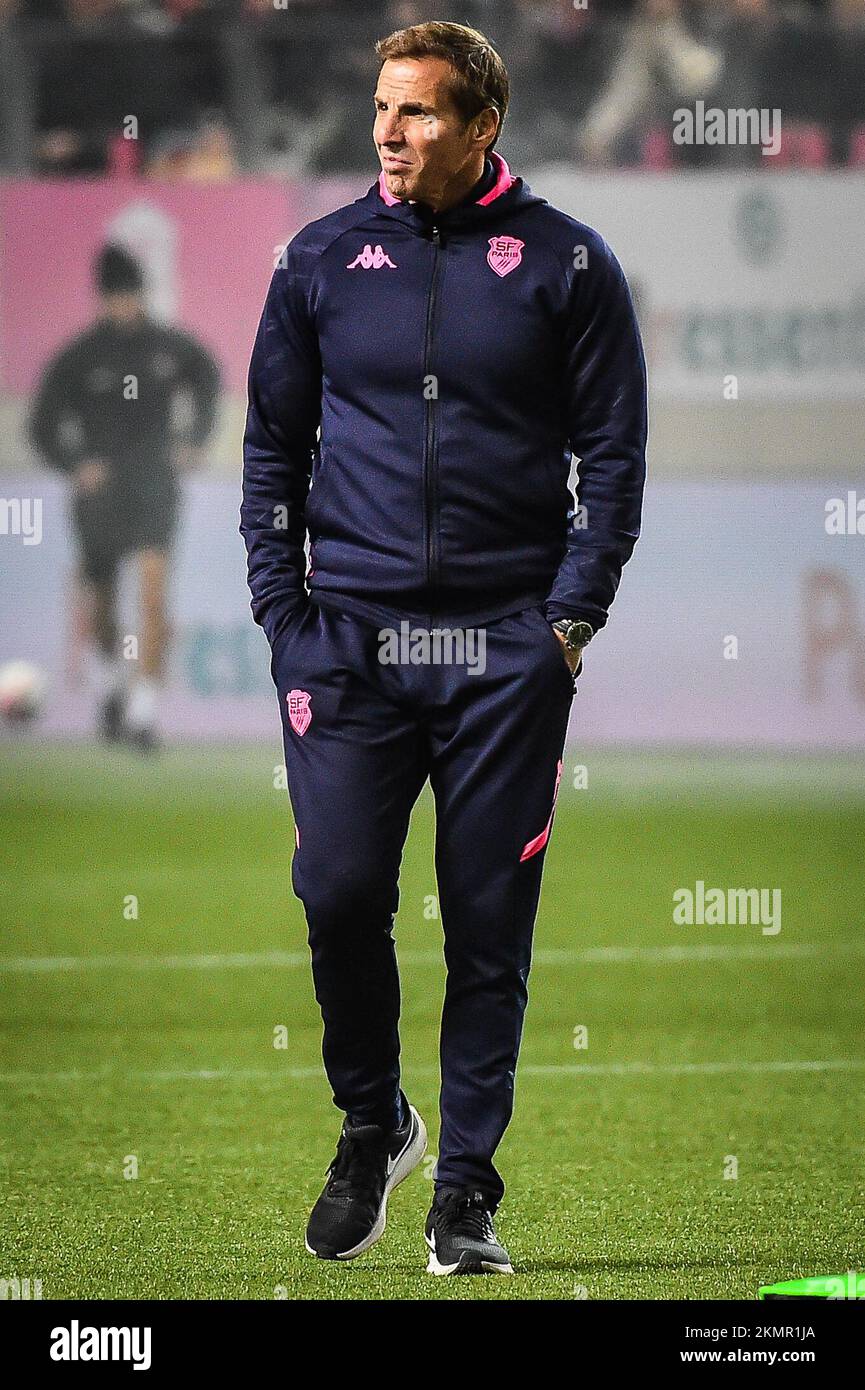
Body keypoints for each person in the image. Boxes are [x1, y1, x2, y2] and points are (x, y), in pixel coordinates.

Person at [241, 20, 647, 1275]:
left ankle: (463, 1196)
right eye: (380, 108)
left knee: (487, 926)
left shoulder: (568, 266)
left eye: (417, 113)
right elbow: (271, 453)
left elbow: (615, 462)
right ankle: (376, 1123)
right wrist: (284, 618)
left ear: (483, 128)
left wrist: (565, 627)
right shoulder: (317, 261)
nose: (387, 132)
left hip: (501, 659)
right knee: (341, 894)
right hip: (349, 650)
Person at [29, 243, 221, 750]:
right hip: (100, 491)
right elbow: (42, 421)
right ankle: (113, 685)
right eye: (115, 296)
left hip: (154, 481)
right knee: (104, 601)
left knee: (154, 589)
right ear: (103, 298)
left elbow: (208, 378)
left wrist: (195, 438)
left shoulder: (170, 347)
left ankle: (143, 711)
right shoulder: (80, 356)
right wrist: (75, 465)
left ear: (141, 295)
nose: (124, 305)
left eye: (130, 295)